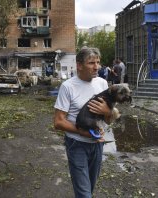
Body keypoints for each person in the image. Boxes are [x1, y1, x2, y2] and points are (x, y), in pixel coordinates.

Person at [53, 47, 112, 198]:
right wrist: (82, 132)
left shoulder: (103, 84)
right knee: (84, 194)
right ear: (79, 65)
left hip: (97, 144)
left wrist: (107, 112)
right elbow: (58, 122)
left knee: (89, 189)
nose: (97, 67)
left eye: (98, 62)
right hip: (77, 144)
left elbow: (108, 120)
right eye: (91, 63)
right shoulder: (68, 86)